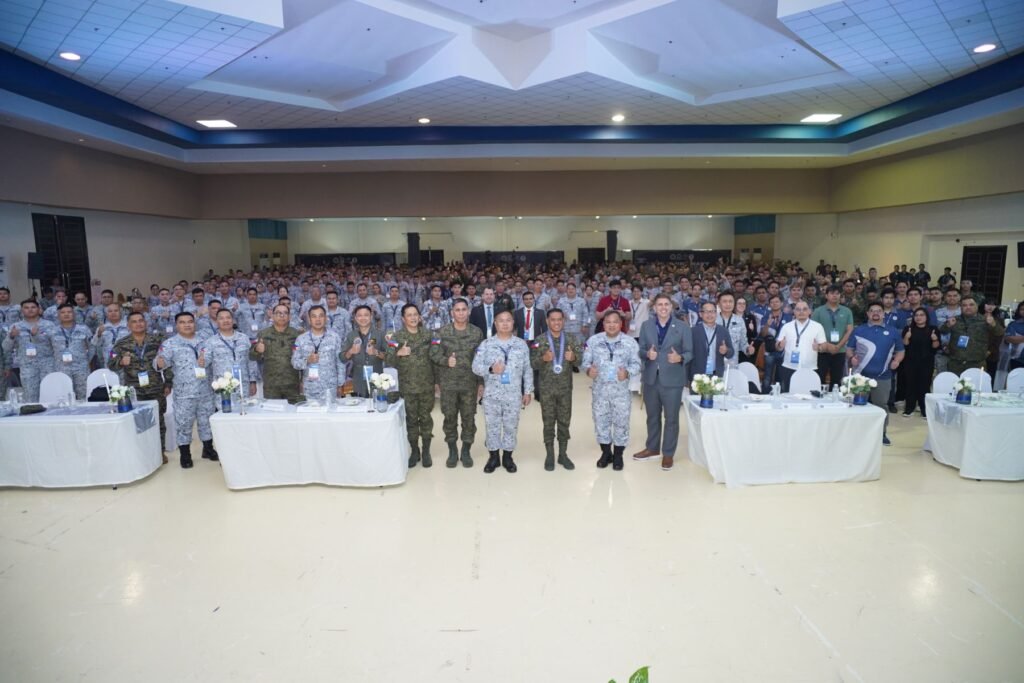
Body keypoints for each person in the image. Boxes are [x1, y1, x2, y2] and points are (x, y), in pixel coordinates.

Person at [635, 293, 693, 471]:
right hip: (651, 379)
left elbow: (690, 352)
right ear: (654, 307)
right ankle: (652, 448)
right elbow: (641, 350)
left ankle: (668, 453)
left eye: (666, 304)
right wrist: (647, 354)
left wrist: (680, 358)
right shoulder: (646, 326)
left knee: (671, 418)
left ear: (671, 307)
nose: (663, 307)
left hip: (673, 379)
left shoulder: (683, 327)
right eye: (659, 304)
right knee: (652, 416)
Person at [472, 310, 533, 473]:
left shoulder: (521, 344)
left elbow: (527, 369)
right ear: (495, 323)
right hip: (492, 395)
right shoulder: (486, 344)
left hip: (513, 395)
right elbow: (475, 367)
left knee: (511, 427)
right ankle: (493, 458)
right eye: (501, 320)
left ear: (513, 323)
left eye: (508, 320)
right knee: (492, 427)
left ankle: (507, 457)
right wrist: (491, 369)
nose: (505, 323)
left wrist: (527, 391)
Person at [155, 312, 217, 468]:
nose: (187, 325)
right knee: (184, 424)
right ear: (176, 325)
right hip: (184, 393)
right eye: (182, 322)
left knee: (206, 421)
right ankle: (185, 454)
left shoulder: (205, 341)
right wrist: (160, 363)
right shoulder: (170, 344)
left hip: (206, 390)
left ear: (194, 323)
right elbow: (159, 362)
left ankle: (208, 449)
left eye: (190, 321)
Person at [581, 310, 641, 471]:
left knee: (621, 423)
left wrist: (627, 372)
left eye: (615, 322)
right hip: (600, 392)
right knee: (601, 422)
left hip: (621, 393)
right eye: (608, 322)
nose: (612, 325)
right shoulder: (593, 341)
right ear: (603, 323)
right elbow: (585, 362)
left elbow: (637, 364)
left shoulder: (630, 342)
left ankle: (618, 455)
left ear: (621, 324)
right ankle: (606, 453)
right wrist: (588, 370)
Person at [109, 312, 171, 462]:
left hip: (155, 387)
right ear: (128, 325)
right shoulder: (121, 344)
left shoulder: (157, 340)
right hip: (134, 390)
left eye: (141, 320)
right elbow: (110, 364)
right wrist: (120, 362)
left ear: (146, 323)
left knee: (158, 421)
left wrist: (168, 382)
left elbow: (167, 361)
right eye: (134, 321)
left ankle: (159, 452)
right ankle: (142, 453)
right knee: (137, 422)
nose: (138, 324)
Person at [430, 298, 483, 467]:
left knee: (469, 418)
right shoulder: (441, 332)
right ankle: (452, 450)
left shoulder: (477, 333)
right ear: (452, 313)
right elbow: (433, 355)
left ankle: (466, 450)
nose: (460, 313)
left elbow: (481, 359)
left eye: (463, 309)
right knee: (449, 418)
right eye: (457, 310)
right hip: (448, 384)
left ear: (468, 311)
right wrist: (445, 362)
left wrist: (481, 383)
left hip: (469, 384)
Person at [530, 308, 582, 470]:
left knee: (564, 421)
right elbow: (532, 363)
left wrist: (573, 357)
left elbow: (580, 361)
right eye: (553, 319)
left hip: (565, 389)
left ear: (563, 321)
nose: (556, 322)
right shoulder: (539, 340)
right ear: (547, 321)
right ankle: (550, 454)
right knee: (548, 422)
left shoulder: (571, 339)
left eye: (559, 319)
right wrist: (543, 358)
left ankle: (563, 454)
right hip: (546, 390)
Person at [847, 302, 905, 446]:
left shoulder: (893, 331)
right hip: (860, 377)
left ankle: (882, 433)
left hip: (883, 376)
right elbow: (849, 349)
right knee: (858, 406)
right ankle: (857, 433)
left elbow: (901, 351)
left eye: (879, 310)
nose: (875, 313)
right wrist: (851, 358)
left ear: (883, 314)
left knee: (881, 406)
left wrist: (897, 361)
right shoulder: (859, 330)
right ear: (867, 314)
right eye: (872, 310)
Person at [386, 304, 436, 468]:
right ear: (403, 319)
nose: (413, 318)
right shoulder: (396, 337)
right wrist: (398, 353)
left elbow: (435, 358)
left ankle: (426, 451)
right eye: (409, 315)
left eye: (415, 314)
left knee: (426, 419)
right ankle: (414, 451)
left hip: (426, 385)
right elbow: (388, 360)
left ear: (420, 317)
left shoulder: (428, 334)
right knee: (411, 420)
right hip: (407, 387)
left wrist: (437, 382)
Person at [3, 299, 58, 402]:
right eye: (26, 308)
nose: (30, 310)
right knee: (30, 396)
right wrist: (11, 336)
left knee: (50, 395)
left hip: (48, 364)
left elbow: (57, 346)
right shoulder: (16, 327)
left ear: (39, 309)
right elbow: (6, 348)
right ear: (22, 311)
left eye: (33, 307)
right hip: (27, 366)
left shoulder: (49, 325)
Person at [291, 306, 345, 403]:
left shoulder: (335, 337)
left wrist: (340, 384)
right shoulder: (300, 339)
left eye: (321, 316)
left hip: (330, 388)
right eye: (314, 316)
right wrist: (307, 360)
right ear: (309, 319)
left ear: (326, 318)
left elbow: (340, 362)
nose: (318, 319)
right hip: (310, 388)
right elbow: (294, 362)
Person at [250, 304, 302, 400]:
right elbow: (251, 356)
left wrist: (302, 380)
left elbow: (302, 358)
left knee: (293, 409)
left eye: (285, 313)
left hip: (292, 384)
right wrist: (257, 350)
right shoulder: (263, 334)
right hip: (271, 386)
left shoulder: (297, 334)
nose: (282, 316)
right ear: (272, 316)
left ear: (289, 317)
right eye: (278, 313)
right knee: (272, 409)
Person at [202, 309, 256, 398]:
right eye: (221, 318)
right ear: (217, 322)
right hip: (222, 387)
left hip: (243, 386)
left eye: (228, 317)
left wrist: (253, 381)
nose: (225, 320)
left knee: (244, 406)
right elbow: (204, 363)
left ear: (233, 320)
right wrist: (201, 361)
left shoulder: (244, 338)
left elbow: (251, 361)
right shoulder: (210, 342)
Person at [945, 296, 1004, 376]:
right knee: (954, 383)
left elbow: (1000, 333)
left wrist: (993, 324)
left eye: (971, 305)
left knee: (976, 384)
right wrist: (948, 325)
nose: (968, 307)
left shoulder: (985, 320)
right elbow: (942, 330)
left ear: (977, 306)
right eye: (964, 305)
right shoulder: (954, 320)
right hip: (955, 362)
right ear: (961, 307)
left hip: (977, 363)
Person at [775, 301, 825, 392]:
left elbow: (823, 346)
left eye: (804, 309)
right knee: (787, 396)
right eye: (798, 309)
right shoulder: (786, 327)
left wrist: (819, 348)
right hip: (789, 367)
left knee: (809, 396)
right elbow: (777, 346)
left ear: (809, 311)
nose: (801, 312)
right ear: (794, 312)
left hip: (810, 368)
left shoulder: (818, 327)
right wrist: (780, 345)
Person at [811, 285, 854, 388]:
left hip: (840, 350)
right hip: (822, 351)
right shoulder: (818, 311)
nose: (835, 296)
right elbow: (813, 331)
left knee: (836, 381)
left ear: (840, 296)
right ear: (826, 295)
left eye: (837, 294)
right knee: (819, 379)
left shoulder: (847, 311)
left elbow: (849, 330)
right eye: (832, 293)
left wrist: (838, 346)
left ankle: (834, 398)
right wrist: (827, 345)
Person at [901, 307, 940, 418]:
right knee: (910, 385)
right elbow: (904, 345)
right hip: (910, 362)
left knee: (925, 386)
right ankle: (909, 409)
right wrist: (906, 337)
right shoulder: (908, 329)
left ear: (927, 317)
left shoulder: (933, 329)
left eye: (921, 315)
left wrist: (935, 339)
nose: (919, 317)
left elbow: (936, 347)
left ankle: (924, 410)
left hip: (926, 362)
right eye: (916, 315)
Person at [51, 303, 94, 400]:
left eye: (69, 312)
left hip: (81, 368)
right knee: (64, 395)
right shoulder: (52, 331)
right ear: (58, 315)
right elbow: (48, 348)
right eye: (63, 312)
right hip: (61, 367)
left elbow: (92, 346)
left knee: (84, 394)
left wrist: (86, 360)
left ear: (74, 314)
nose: (66, 314)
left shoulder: (84, 329)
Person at [343, 306, 387, 397]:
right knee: (359, 403)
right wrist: (351, 351)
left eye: (366, 315)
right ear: (355, 318)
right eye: (359, 315)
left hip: (376, 376)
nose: (363, 318)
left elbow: (391, 356)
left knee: (376, 401)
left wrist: (376, 352)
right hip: (357, 378)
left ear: (371, 317)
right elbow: (342, 357)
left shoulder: (380, 334)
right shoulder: (351, 335)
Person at [689, 301, 733, 383]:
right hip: (697, 375)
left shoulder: (723, 331)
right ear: (700, 314)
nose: (710, 314)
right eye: (706, 311)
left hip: (716, 375)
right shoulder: (693, 332)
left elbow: (731, 353)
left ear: (716, 313)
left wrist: (726, 351)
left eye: (712, 311)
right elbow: (688, 354)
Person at [758, 295, 790, 392]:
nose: (774, 304)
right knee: (767, 376)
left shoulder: (788, 317)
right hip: (769, 351)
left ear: (781, 303)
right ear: (769, 305)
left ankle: (781, 397)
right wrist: (767, 324)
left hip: (784, 351)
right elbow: (763, 334)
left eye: (777, 302)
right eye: (772, 302)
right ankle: (764, 396)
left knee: (781, 376)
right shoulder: (765, 317)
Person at [93, 303, 130, 370]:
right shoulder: (102, 328)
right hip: (109, 363)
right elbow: (96, 344)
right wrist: (99, 334)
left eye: (116, 310)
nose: (113, 313)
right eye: (110, 311)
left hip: (126, 363)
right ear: (106, 314)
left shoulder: (129, 326)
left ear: (121, 312)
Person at [1005, 302, 1024, 371]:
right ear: (1019, 311)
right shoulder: (1013, 324)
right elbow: (1008, 339)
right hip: (1017, 360)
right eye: (1022, 309)